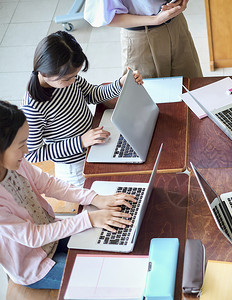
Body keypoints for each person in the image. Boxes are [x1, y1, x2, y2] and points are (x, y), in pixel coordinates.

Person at [0, 101, 136, 289]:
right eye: (22, 144)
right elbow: (32, 236)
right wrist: (88, 218)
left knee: (114, 245)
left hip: (53, 235)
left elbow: (49, 184)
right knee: (104, 277)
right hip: (34, 267)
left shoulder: (17, 163)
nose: (28, 151)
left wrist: (95, 198)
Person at [22, 31, 143, 187]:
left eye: (75, 75)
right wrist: (80, 142)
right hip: (74, 167)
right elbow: (33, 154)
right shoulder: (32, 108)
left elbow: (93, 94)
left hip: (93, 144)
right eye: (67, 79)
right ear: (45, 73)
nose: (73, 81)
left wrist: (121, 83)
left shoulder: (67, 76)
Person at [84, 0, 203, 79]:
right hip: (141, 36)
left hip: (176, 23)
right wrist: (155, 20)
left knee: (193, 88)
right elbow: (103, 17)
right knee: (150, 100)